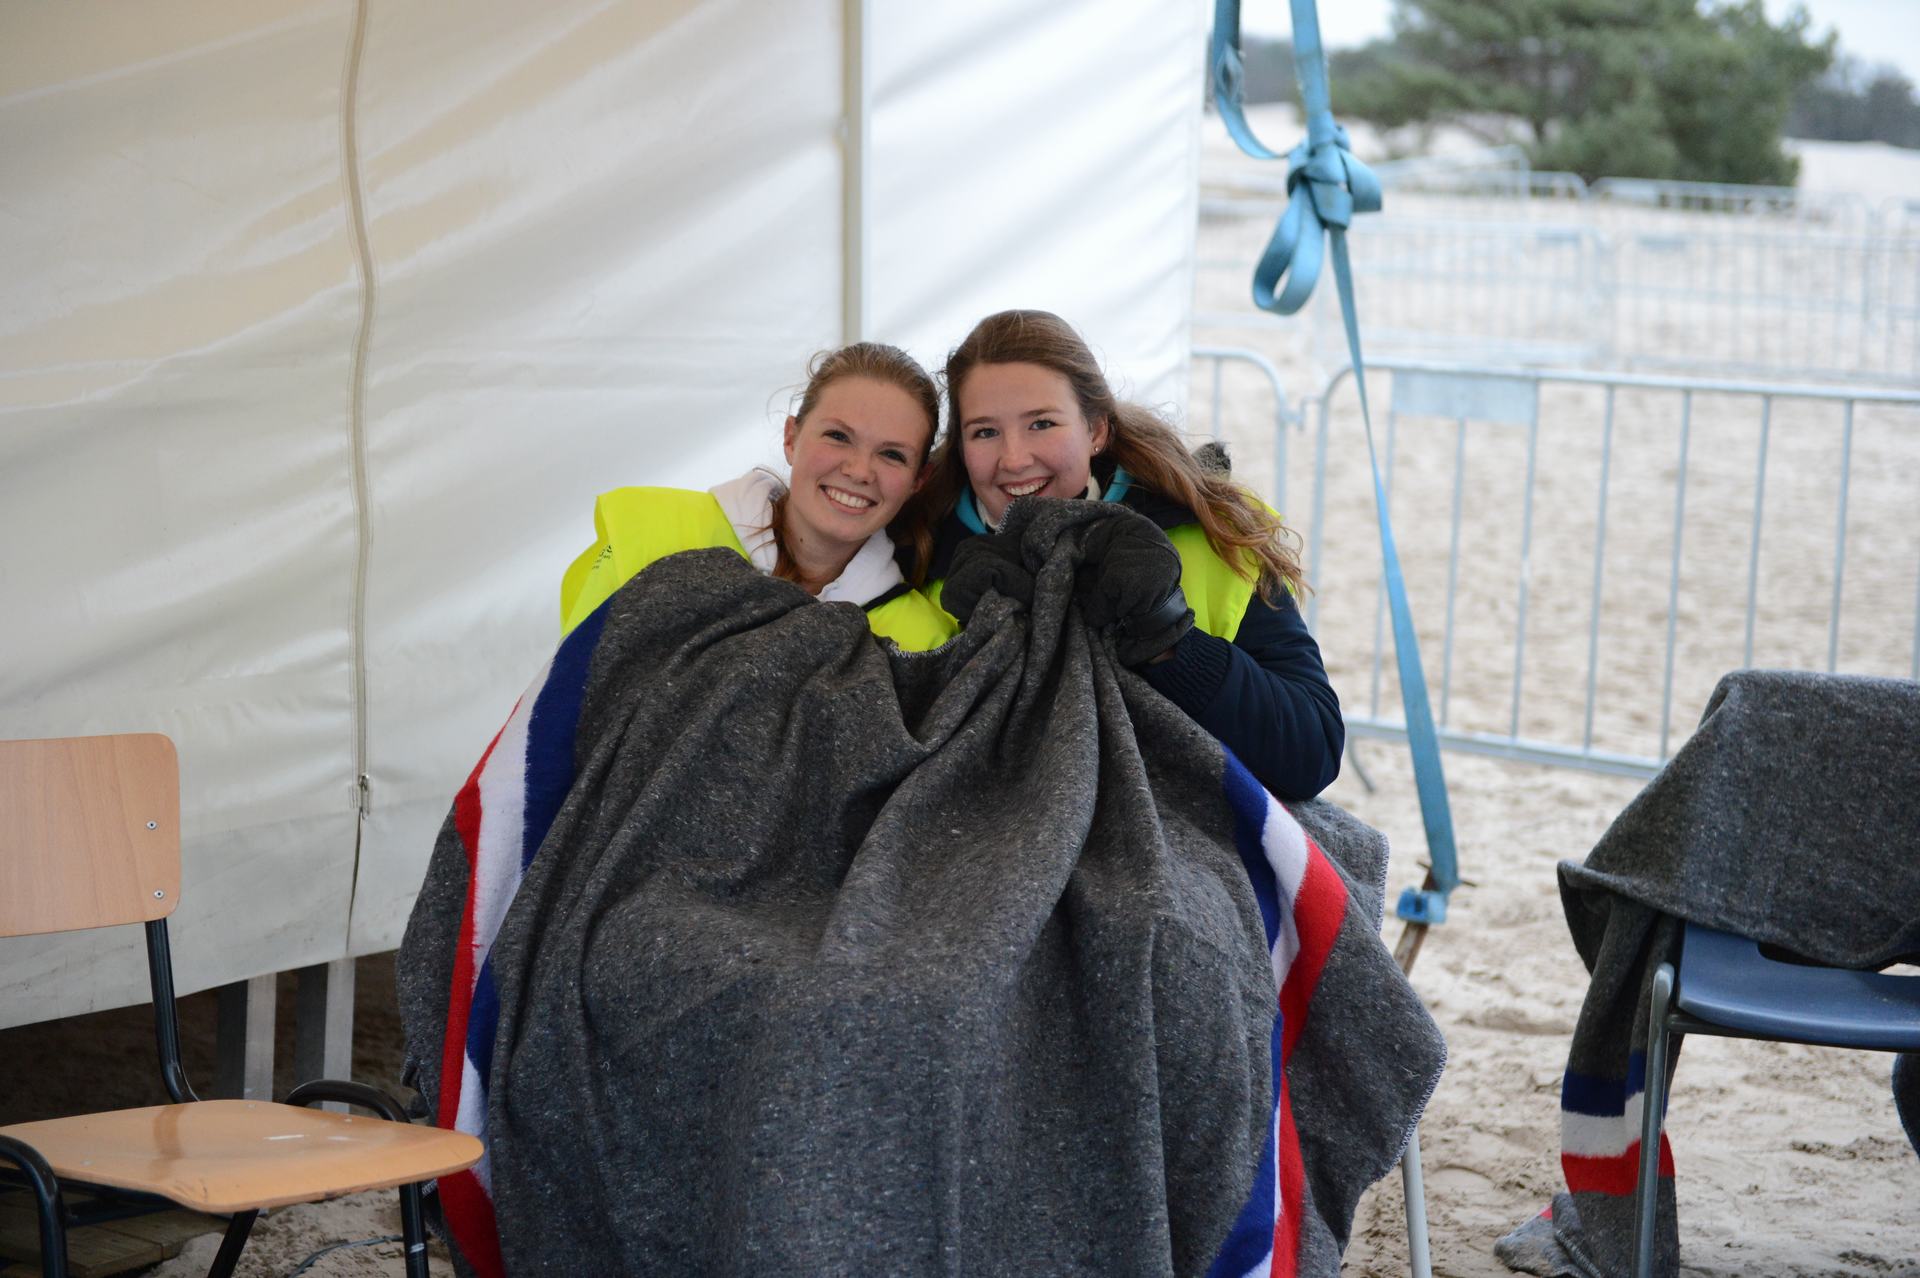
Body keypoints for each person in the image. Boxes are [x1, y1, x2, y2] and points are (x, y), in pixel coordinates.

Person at [913, 309, 1342, 799]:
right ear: (961, 447)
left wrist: (1168, 639)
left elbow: (1313, 753)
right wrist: (971, 661)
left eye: (1042, 423)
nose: (1014, 458)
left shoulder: (1211, 537)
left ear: (1096, 430)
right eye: (985, 432)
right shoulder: (918, 564)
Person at [559, 342, 955, 650]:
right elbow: (564, 703)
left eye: (892, 455)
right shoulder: (651, 533)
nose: (859, 471)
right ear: (791, 438)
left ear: (918, 480)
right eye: (838, 436)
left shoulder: (924, 640)